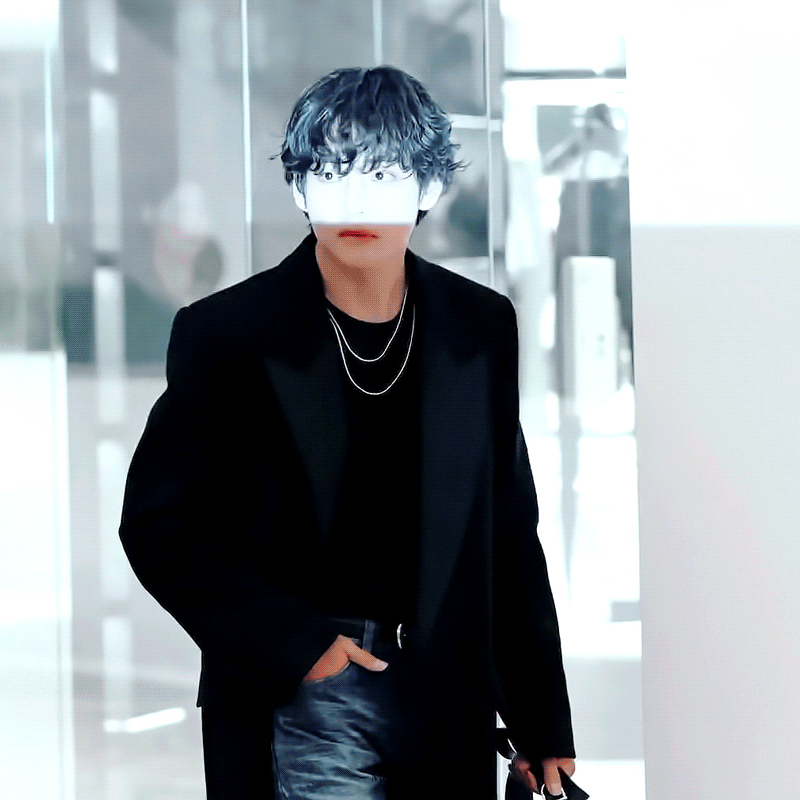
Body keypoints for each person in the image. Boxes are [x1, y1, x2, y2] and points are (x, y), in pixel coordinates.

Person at [119, 65, 576, 800]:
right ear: (301, 189)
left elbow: (507, 532)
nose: (356, 202)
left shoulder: (478, 326)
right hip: (300, 690)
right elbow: (159, 523)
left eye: (384, 175)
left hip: (445, 694)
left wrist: (540, 719)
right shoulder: (229, 333)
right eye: (333, 173)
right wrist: (295, 647)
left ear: (429, 188)